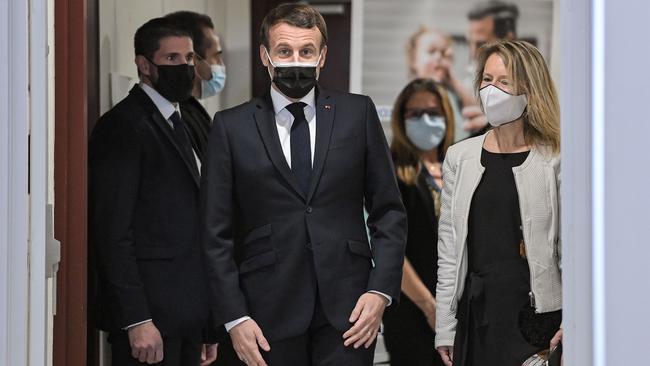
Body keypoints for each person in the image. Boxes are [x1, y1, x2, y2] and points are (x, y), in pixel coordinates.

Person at [200, 3, 407, 366]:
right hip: (264, 314)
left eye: (306, 51)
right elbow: (215, 233)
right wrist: (234, 317)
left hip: (350, 311)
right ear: (265, 56)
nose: (296, 60)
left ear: (322, 56)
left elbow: (388, 211)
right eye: (284, 51)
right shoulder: (230, 127)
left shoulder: (357, 113)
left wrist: (380, 291)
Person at [89, 17, 218, 366]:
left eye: (190, 58)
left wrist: (208, 324)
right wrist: (137, 319)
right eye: (172, 59)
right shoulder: (122, 126)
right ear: (144, 65)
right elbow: (113, 232)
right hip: (149, 323)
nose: (185, 67)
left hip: (190, 315)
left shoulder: (189, 118)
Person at [435, 40, 562, 366]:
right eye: (487, 79)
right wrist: (445, 328)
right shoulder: (460, 157)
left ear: (530, 90)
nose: (492, 90)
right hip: (476, 318)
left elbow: (569, 250)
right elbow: (449, 252)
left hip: (535, 324)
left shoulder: (554, 160)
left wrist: (572, 321)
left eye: (504, 82)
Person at [382, 78, 455, 366]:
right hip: (413, 311)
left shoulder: (459, 164)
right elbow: (389, 249)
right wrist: (429, 307)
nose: (425, 120)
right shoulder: (390, 170)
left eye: (433, 112)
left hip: (456, 312)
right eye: (415, 113)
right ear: (401, 119)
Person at [165, 10, 226, 160]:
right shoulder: (171, 117)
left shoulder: (194, 111)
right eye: (216, 57)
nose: (221, 65)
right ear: (194, 60)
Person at [462, 0, 519, 135]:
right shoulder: (471, 72)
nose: (472, 51)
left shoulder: (531, 78)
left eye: (480, 43)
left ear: (507, 39)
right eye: (470, 42)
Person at [407, 27, 473, 141]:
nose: (438, 57)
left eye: (444, 54)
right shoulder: (414, 95)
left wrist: (453, 81)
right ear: (414, 61)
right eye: (431, 51)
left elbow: (476, 112)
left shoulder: (453, 93)